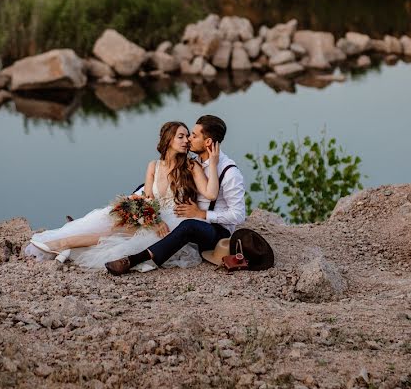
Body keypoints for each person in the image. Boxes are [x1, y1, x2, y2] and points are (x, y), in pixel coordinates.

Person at [22, 121, 220, 270]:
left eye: (188, 137)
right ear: (168, 139)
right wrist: (151, 218)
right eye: (181, 136)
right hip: (156, 216)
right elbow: (148, 198)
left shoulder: (190, 166)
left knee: (120, 236)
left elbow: (210, 193)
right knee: (109, 222)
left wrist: (212, 161)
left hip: (175, 219)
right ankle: (64, 243)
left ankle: (63, 245)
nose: (187, 141)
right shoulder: (154, 166)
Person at [105, 115, 246, 275]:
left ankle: (134, 260)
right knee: (140, 193)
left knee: (188, 226)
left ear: (207, 142)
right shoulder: (195, 162)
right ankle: (99, 227)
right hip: (190, 216)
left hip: (215, 231)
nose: (189, 140)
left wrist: (203, 214)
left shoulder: (230, 173)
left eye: (194, 135)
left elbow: (239, 215)